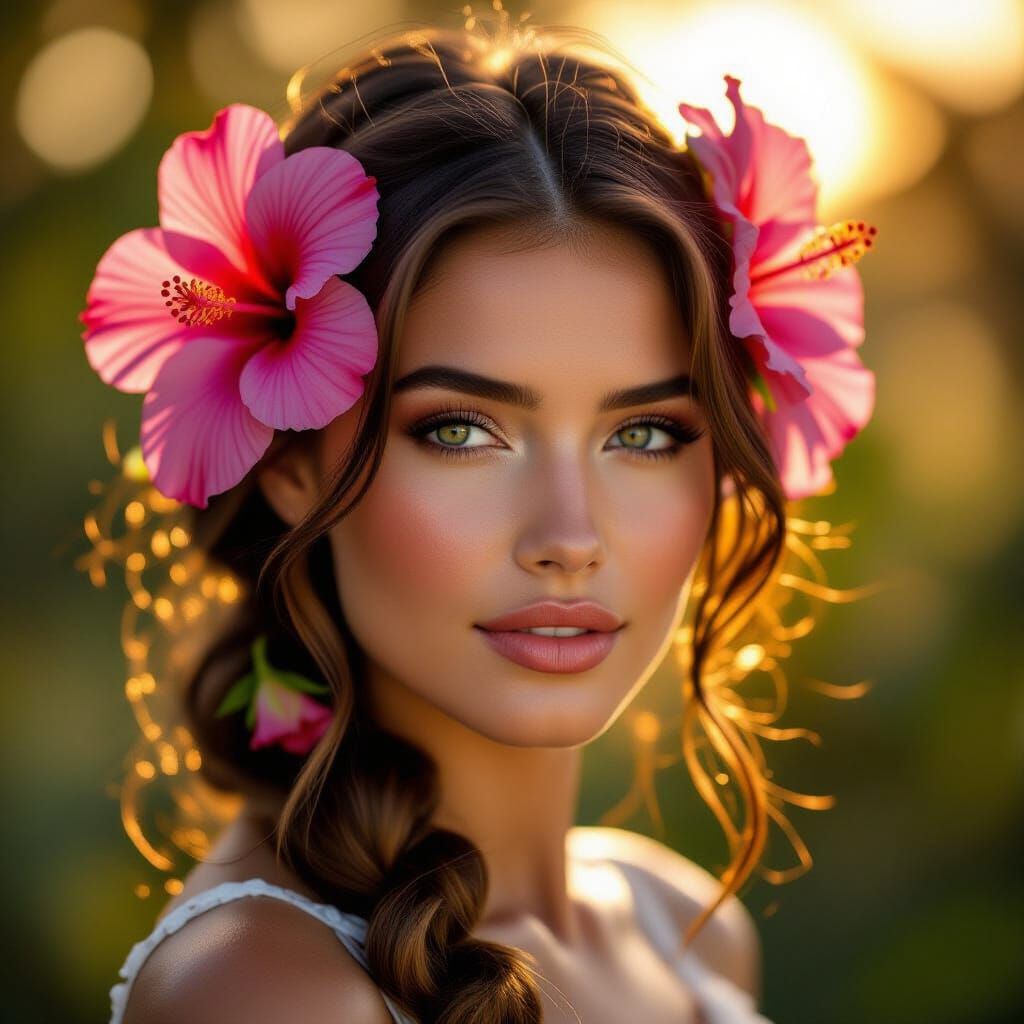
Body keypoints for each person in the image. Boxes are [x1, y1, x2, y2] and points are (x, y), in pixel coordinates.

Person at [80, 15, 875, 1024]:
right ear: (286, 459)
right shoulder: (266, 993)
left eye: (644, 433)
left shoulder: (686, 925)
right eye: (460, 431)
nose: (569, 535)